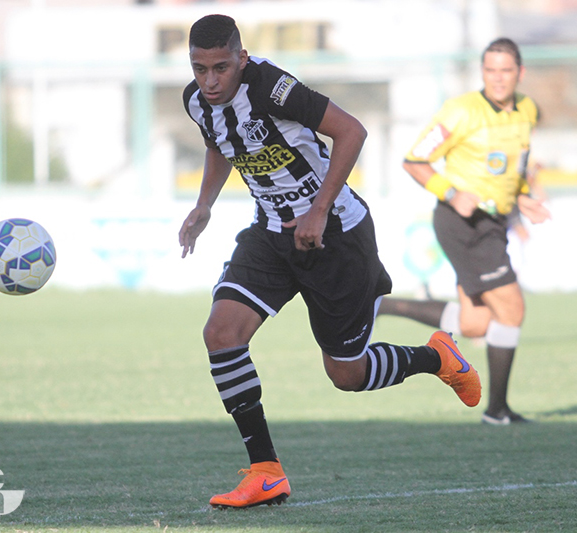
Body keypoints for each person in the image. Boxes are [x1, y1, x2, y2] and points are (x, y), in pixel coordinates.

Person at [178, 14, 481, 509]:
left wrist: (318, 209)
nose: (210, 81)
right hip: (271, 235)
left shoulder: (274, 88)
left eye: (221, 68)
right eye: (199, 68)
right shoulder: (196, 100)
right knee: (221, 333)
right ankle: (266, 471)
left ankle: (436, 357)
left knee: (346, 375)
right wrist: (204, 204)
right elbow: (220, 145)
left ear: (242, 59)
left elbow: (352, 131)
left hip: (336, 235)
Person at [378, 38, 551, 426]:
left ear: (519, 73)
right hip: (463, 224)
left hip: (493, 223)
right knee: (512, 309)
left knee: (475, 324)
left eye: (505, 70)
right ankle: (497, 410)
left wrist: (522, 198)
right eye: (490, 70)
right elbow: (415, 160)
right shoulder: (461, 112)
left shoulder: (527, 110)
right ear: (482, 72)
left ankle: (384, 305)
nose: (498, 78)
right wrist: (452, 193)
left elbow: (514, 167)